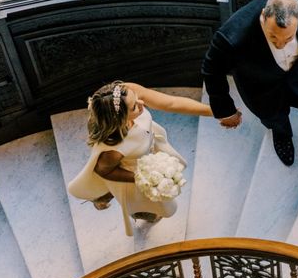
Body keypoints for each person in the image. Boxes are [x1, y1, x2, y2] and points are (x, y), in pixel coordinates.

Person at [201, 0, 298, 166]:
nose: (280, 44)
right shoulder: (230, 37)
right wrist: (225, 110)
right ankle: (282, 136)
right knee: (275, 119)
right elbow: (211, 70)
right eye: (273, 36)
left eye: (287, 39)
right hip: (260, 88)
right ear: (263, 16)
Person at [68, 81, 212, 236]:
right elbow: (104, 171)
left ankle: (119, 201)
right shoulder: (113, 149)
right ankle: (138, 212)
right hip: (135, 173)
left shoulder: (125, 92)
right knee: (146, 205)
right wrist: (143, 178)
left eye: (136, 98)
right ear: (119, 119)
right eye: (134, 107)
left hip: (150, 148)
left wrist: (215, 111)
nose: (142, 103)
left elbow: (171, 102)